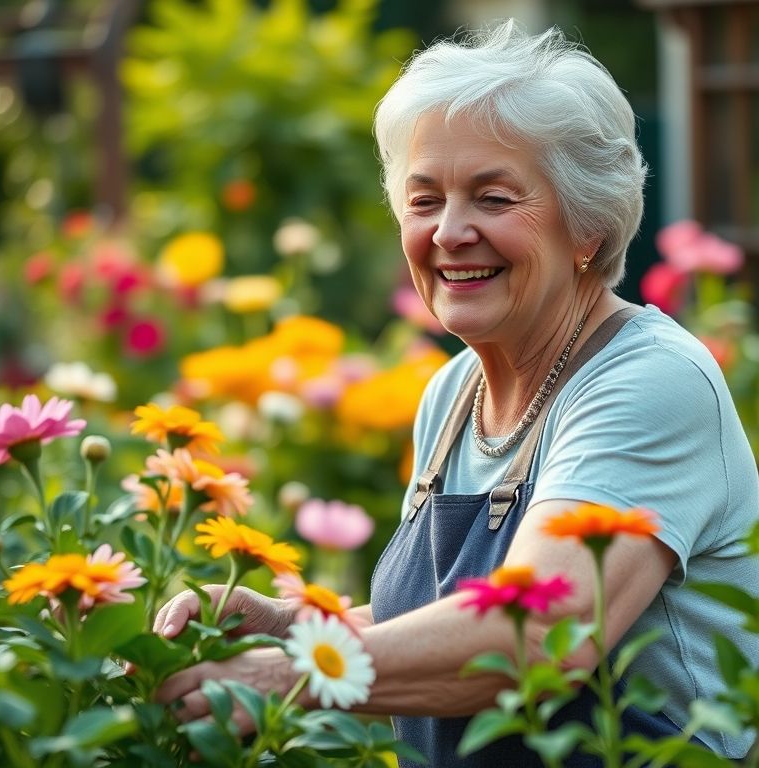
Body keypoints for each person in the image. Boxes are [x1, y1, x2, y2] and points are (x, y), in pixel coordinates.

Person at [154, 20, 759, 766]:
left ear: (589, 230)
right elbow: (441, 622)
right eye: (425, 199)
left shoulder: (649, 381)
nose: (450, 232)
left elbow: (539, 633)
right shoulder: (452, 395)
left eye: (493, 198)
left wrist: (293, 674)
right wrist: (294, 627)